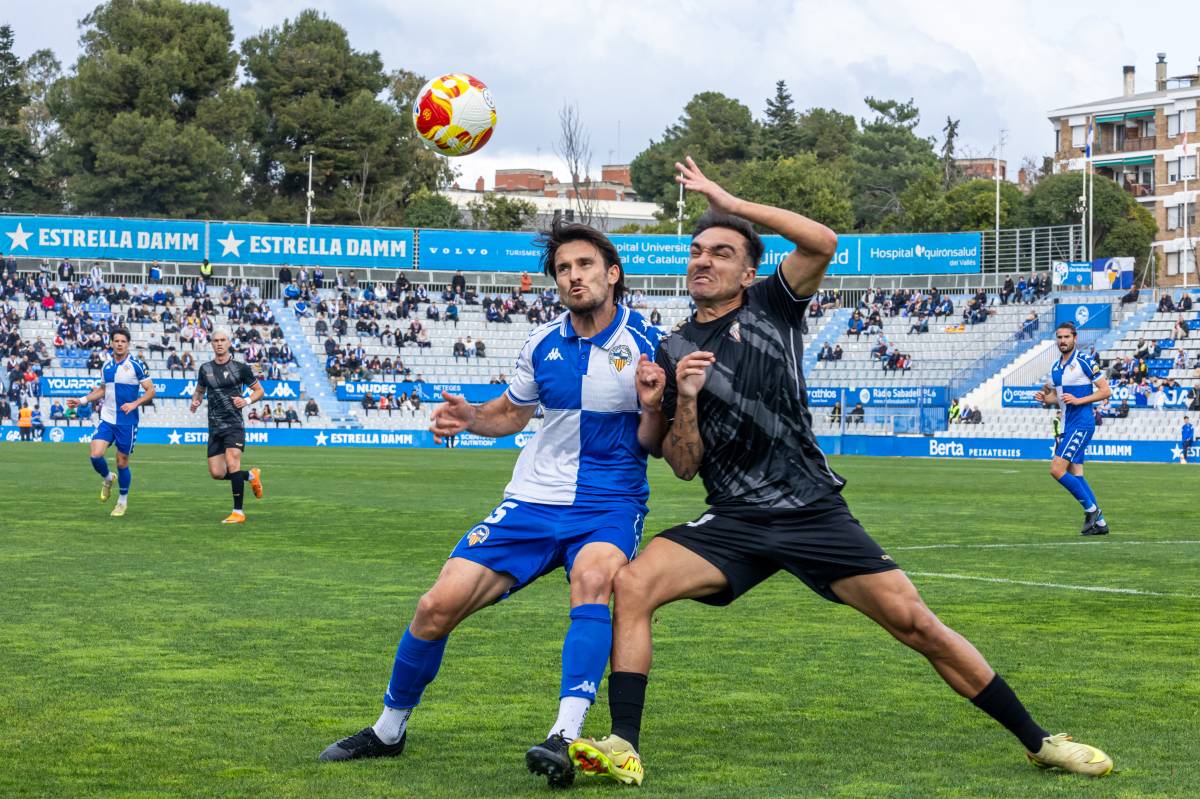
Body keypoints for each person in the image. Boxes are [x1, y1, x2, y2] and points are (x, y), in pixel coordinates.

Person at [568, 156, 1112, 784]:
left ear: (748, 270)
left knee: (916, 623)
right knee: (633, 586)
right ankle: (623, 745)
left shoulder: (773, 303)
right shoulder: (671, 349)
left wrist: (728, 199)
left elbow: (823, 240)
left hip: (810, 510)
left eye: (720, 252)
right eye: (696, 251)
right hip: (734, 519)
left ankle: (1040, 740)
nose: (703, 261)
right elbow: (683, 467)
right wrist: (681, 401)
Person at [317, 220, 665, 790]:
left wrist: (657, 404)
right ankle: (388, 731)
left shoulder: (650, 345)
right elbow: (513, 413)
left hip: (608, 501)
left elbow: (660, 434)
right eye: (562, 270)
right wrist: (472, 418)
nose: (573, 278)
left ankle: (564, 734)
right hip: (531, 500)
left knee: (595, 579)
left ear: (612, 274)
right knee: (435, 605)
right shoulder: (541, 343)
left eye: (584, 266)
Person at [1033, 321, 1113, 536]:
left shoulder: (1084, 361)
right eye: (1059, 337)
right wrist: (1044, 397)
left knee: (1056, 470)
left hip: (1082, 423)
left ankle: (1092, 511)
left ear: (1075, 338)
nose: (1063, 341)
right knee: (1075, 472)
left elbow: (1106, 392)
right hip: (1068, 425)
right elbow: (1056, 398)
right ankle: (1101, 524)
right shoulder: (1056, 367)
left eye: (1066, 337)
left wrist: (1080, 400)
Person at [66, 329, 156, 517]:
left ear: (128, 344)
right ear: (111, 343)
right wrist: (82, 400)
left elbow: (150, 391)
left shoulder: (136, 365)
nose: (120, 344)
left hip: (127, 422)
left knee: (122, 462)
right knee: (95, 455)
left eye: (123, 341)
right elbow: (103, 390)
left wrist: (134, 403)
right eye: (116, 340)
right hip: (107, 418)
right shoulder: (106, 365)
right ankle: (108, 478)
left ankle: (122, 501)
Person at [189, 329, 265, 524]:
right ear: (212, 344)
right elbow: (199, 391)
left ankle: (238, 512)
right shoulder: (205, 369)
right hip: (214, 427)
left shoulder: (241, 368)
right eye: (216, 341)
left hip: (234, 425)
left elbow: (259, 391)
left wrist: (246, 401)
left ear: (229, 343)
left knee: (232, 463)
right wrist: (195, 401)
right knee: (217, 473)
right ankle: (250, 475)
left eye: (223, 340)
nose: (219, 343)